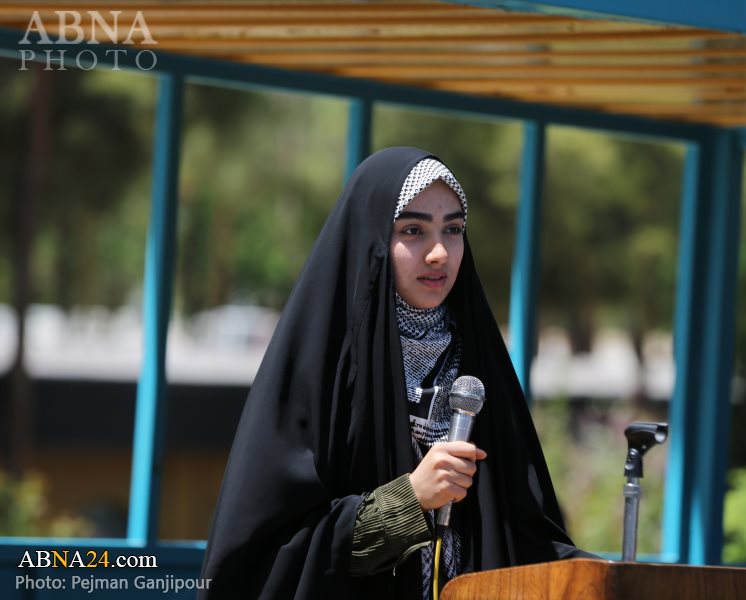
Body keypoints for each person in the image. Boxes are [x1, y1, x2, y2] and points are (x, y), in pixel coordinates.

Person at [199, 147, 586, 600]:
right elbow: (265, 559)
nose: (440, 253)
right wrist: (408, 501)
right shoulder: (320, 371)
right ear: (373, 240)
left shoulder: (481, 369)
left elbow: (529, 538)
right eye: (413, 230)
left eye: (454, 230)